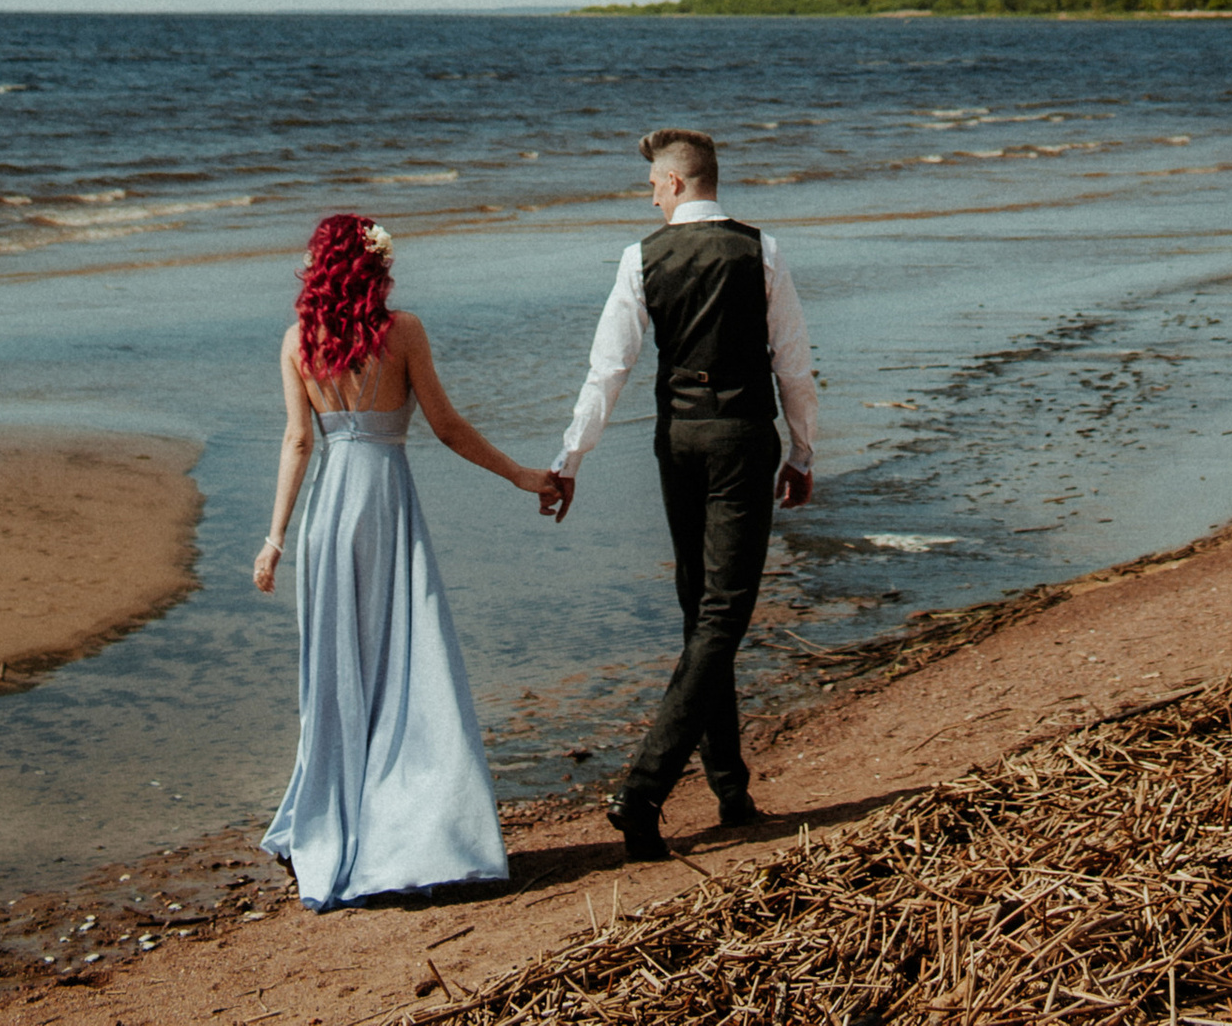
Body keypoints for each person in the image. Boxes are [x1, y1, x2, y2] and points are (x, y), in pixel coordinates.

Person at [254, 210, 562, 909]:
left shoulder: (299, 339)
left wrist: (274, 540)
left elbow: (298, 442)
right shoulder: (406, 332)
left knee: (338, 671)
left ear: (320, 267)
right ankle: (419, 833)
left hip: (329, 516)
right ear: (377, 265)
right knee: (409, 659)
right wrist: (521, 476)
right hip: (386, 507)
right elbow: (446, 427)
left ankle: (329, 824)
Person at [547, 126, 819, 862]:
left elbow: (609, 369)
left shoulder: (641, 257)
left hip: (679, 441)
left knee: (704, 614)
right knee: (722, 616)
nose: (651, 200)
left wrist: (571, 457)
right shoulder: (760, 250)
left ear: (672, 182)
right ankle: (645, 789)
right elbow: (793, 364)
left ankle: (730, 790)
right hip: (741, 438)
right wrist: (802, 451)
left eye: (651, 187)